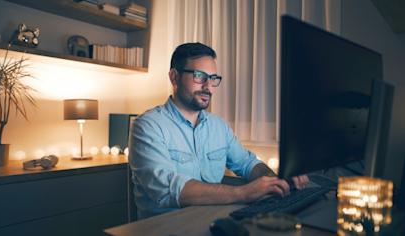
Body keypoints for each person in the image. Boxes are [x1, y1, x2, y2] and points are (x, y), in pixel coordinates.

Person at [129, 42, 309, 219]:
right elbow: (167, 188)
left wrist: (277, 180)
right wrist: (242, 193)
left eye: (213, 78)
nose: (208, 86)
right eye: (199, 76)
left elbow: (247, 163)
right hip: (164, 228)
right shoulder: (147, 126)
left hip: (211, 223)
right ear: (174, 77)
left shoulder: (219, 126)